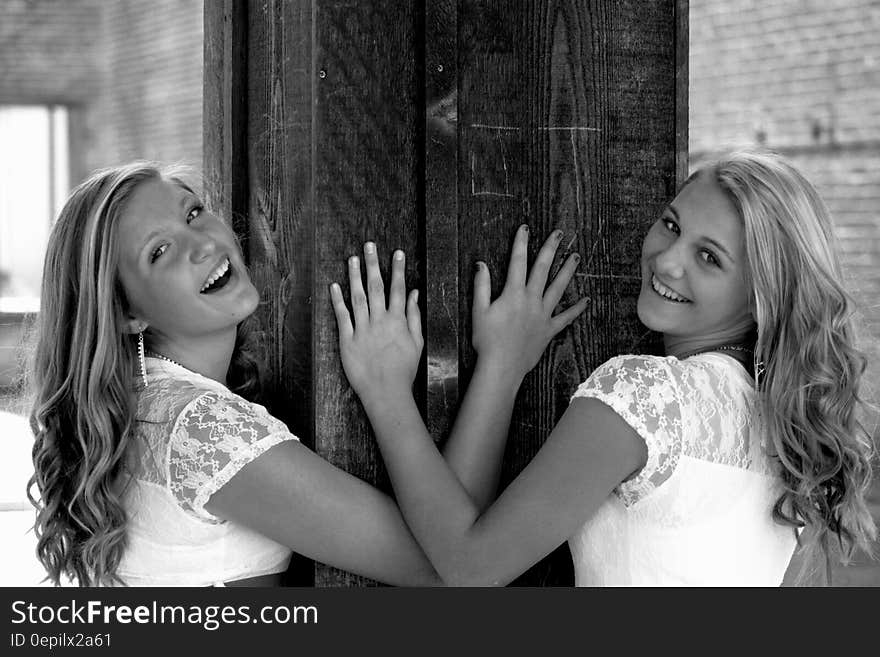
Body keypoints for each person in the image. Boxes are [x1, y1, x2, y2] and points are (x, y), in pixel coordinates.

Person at [27, 161, 588, 587]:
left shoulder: (142, 407)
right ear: (127, 313)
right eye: (160, 251)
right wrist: (415, 385)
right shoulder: (198, 430)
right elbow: (451, 566)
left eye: (193, 211)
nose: (202, 243)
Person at [333, 149, 877, 586]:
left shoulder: (645, 395)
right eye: (671, 224)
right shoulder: (790, 429)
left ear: (761, 297)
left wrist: (386, 392)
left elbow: (471, 569)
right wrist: (503, 364)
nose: (667, 260)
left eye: (709, 257)